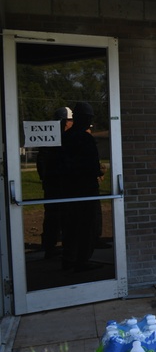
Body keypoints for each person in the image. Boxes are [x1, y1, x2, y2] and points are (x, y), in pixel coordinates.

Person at [60, 101, 103, 272]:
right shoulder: (84, 138)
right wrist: (98, 171)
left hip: (70, 188)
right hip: (84, 189)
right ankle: (81, 260)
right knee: (85, 226)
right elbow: (91, 165)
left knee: (72, 226)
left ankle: (69, 258)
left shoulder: (66, 137)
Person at [38, 106, 73, 258]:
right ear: (65, 122)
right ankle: (51, 247)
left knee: (55, 216)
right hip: (57, 185)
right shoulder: (56, 141)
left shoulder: (54, 140)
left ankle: (52, 246)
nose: (73, 123)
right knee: (56, 216)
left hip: (54, 183)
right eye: (71, 120)